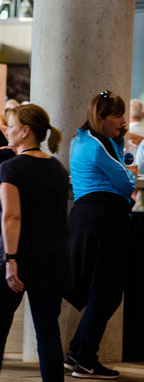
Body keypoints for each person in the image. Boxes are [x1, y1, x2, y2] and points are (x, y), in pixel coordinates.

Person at [0, 104, 72, 382]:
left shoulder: (11, 168)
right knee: (47, 333)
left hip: (15, 257)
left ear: (25, 131)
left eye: (11, 125)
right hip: (52, 260)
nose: (7, 130)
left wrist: (10, 260)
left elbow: (12, 216)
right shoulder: (57, 167)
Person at [64, 90, 137, 380]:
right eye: (117, 116)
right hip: (105, 218)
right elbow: (124, 183)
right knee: (106, 293)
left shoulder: (79, 139)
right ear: (101, 119)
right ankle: (84, 359)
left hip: (87, 217)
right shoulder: (100, 143)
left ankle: (76, 353)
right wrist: (126, 168)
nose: (123, 121)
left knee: (101, 292)